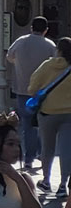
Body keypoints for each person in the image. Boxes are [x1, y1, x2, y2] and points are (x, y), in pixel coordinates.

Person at [6, 16, 55, 171]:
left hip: (23, 89)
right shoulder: (50, 45)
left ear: (31, 27)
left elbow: (9, 56)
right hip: (43, 91)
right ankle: (41, 152)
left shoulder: (21, 41)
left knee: (27, 125)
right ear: (46, 30)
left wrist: (19, 63)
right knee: (42, 124)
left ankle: (28, 158)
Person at [27, 36, 71, 199]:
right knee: (67, 149)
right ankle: (63, 185)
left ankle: (46, 180)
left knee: (47, 148)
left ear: (58, 49)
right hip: (69, 114)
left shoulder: (47, 66)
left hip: (47, 113)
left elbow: (32, 88)